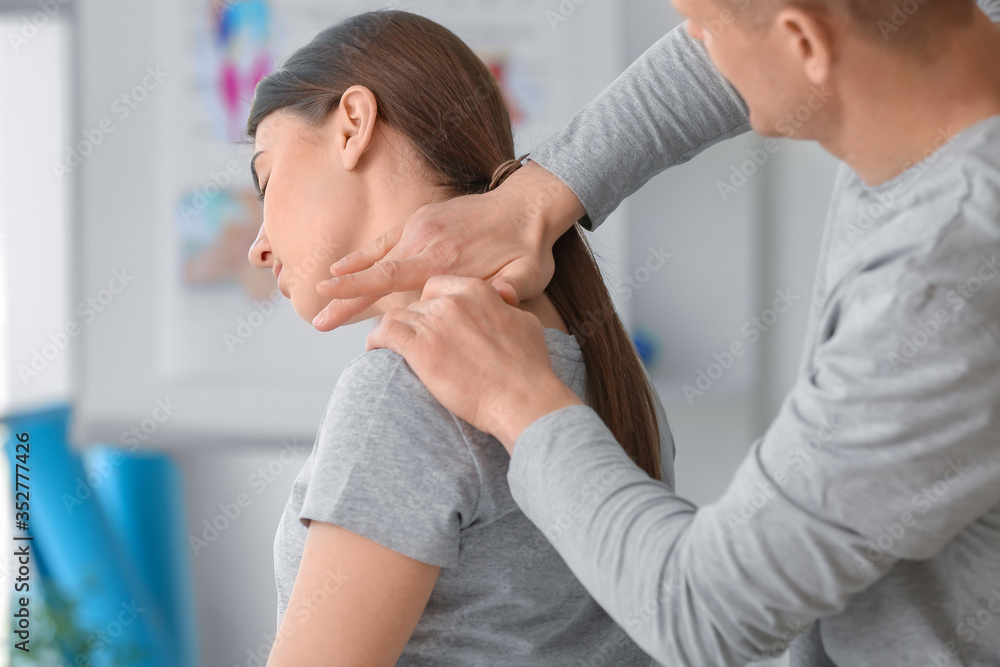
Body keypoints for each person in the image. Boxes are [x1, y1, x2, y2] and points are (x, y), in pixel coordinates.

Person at [318, 0, 1000, 665]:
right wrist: (536, 195)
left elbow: (707, 611)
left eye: (700, 26)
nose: (694, 44)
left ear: (804, 45)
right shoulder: (946, 57)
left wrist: (517, 401)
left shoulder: (942, 279)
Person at [244, 10, 675, 666]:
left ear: (353, 124)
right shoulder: (604, 365)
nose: (257, 246)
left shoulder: (406, 384)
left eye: (266, 179)